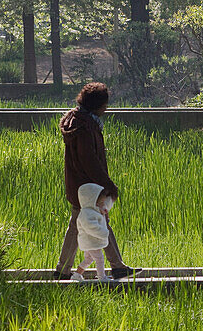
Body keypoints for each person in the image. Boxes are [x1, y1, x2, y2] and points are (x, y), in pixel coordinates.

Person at [54, 82, 140, 280]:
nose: (106, 109)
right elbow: (89, 161)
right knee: (98, 222)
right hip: (88, 188)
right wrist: (108, 186)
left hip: (79, 185)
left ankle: (63, 270)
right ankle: (116, 266)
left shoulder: (78, 120)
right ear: (96, 106)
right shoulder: (85, 127)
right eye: (104, 105)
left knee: (81, 223)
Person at [70, 183, 115, 282]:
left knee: (88, 259)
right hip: (91, 242)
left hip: (90, 241)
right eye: (100, 202)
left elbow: (100, 209)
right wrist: (104, 233)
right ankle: (101, 277)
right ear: (92, 201)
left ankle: (77, 274)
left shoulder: (92, 211)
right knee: (99, 259)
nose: (102, 204)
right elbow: (91, 227)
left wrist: (103, 209)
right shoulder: (87, 213)